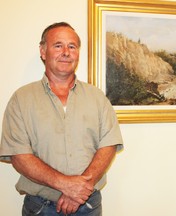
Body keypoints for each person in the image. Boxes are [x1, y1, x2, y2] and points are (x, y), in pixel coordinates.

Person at [0, 22, 123, 215]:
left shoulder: (97, 97)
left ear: (78, 53)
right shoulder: (21, 99)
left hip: (89, 206)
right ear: (43, 51)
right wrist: (66, 185)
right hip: (41, 207)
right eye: (58, 45)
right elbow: (19, 155)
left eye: (72, 46)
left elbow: (108, 145)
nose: (66, 52)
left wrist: (79, 191)